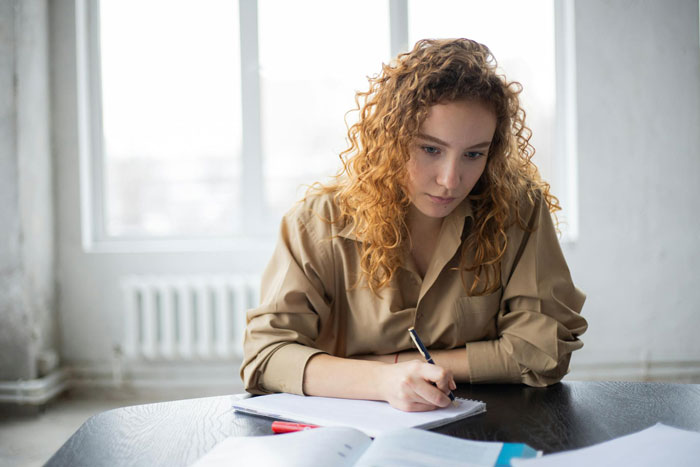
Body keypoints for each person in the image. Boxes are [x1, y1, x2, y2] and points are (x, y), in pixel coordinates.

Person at [240, 38, 587, 412]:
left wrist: (404, 367)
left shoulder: (517, 210)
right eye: (430, 149)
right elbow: (266, 356)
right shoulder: (317, 222)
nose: (451, 179)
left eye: (474, 154)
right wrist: (383, 381)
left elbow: (543, 350)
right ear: (391, 139)